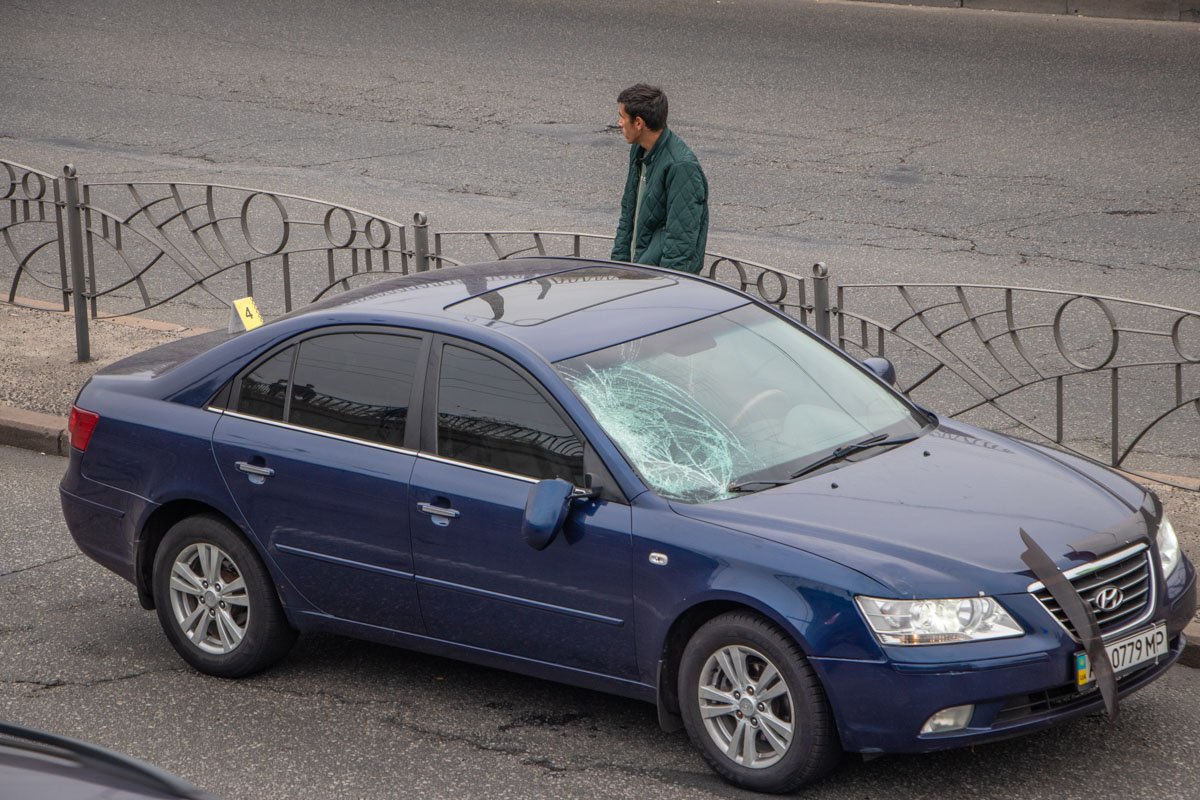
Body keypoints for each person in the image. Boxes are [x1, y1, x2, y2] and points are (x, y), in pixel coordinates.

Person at [611, 84, 709, 274]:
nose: (619, 123)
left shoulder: (681, 166)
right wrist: (619, 266)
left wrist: (666, 288)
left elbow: (681, 239)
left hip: (657, 283)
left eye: (623, 117)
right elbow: (629, 211)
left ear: (638, 123)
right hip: (637, 272)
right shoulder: (639, 149)